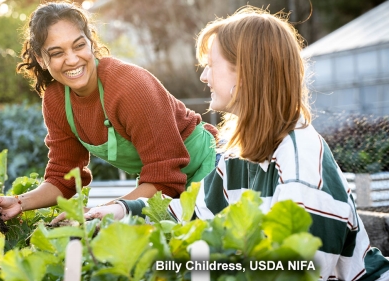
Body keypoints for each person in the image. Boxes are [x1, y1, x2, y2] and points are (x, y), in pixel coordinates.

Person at [84, 6, 389, 281]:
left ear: (245, 73)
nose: (204, 77)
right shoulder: (239, 156)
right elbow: (188, 215)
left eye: (211, 65)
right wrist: (121, 211)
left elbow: (297, 272)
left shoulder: (300, 160)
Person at [0, 1, 217, 224]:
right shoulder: (56, 100)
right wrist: (19, 202)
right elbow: (64, 176)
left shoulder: (130, 87)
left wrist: (100, 211)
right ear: (42, 60)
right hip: (158, 189)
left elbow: (164, 177)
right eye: (57, 53)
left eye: (79, 45)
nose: (72, 60)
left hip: (209, 173)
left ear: (91, 43)